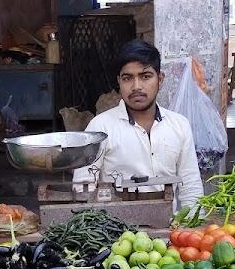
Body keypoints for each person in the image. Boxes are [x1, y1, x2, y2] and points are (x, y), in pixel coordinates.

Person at [72, 40, 204, 209]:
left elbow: (190, 186)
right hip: (115, 231)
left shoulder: (179, 125)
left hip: (167, 228)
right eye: (127, 78)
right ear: (119, 82)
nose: (136, 86)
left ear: (160, 79)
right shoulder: (100, 127)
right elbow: (83, 188)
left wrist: (192, 230)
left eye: (145, 76)